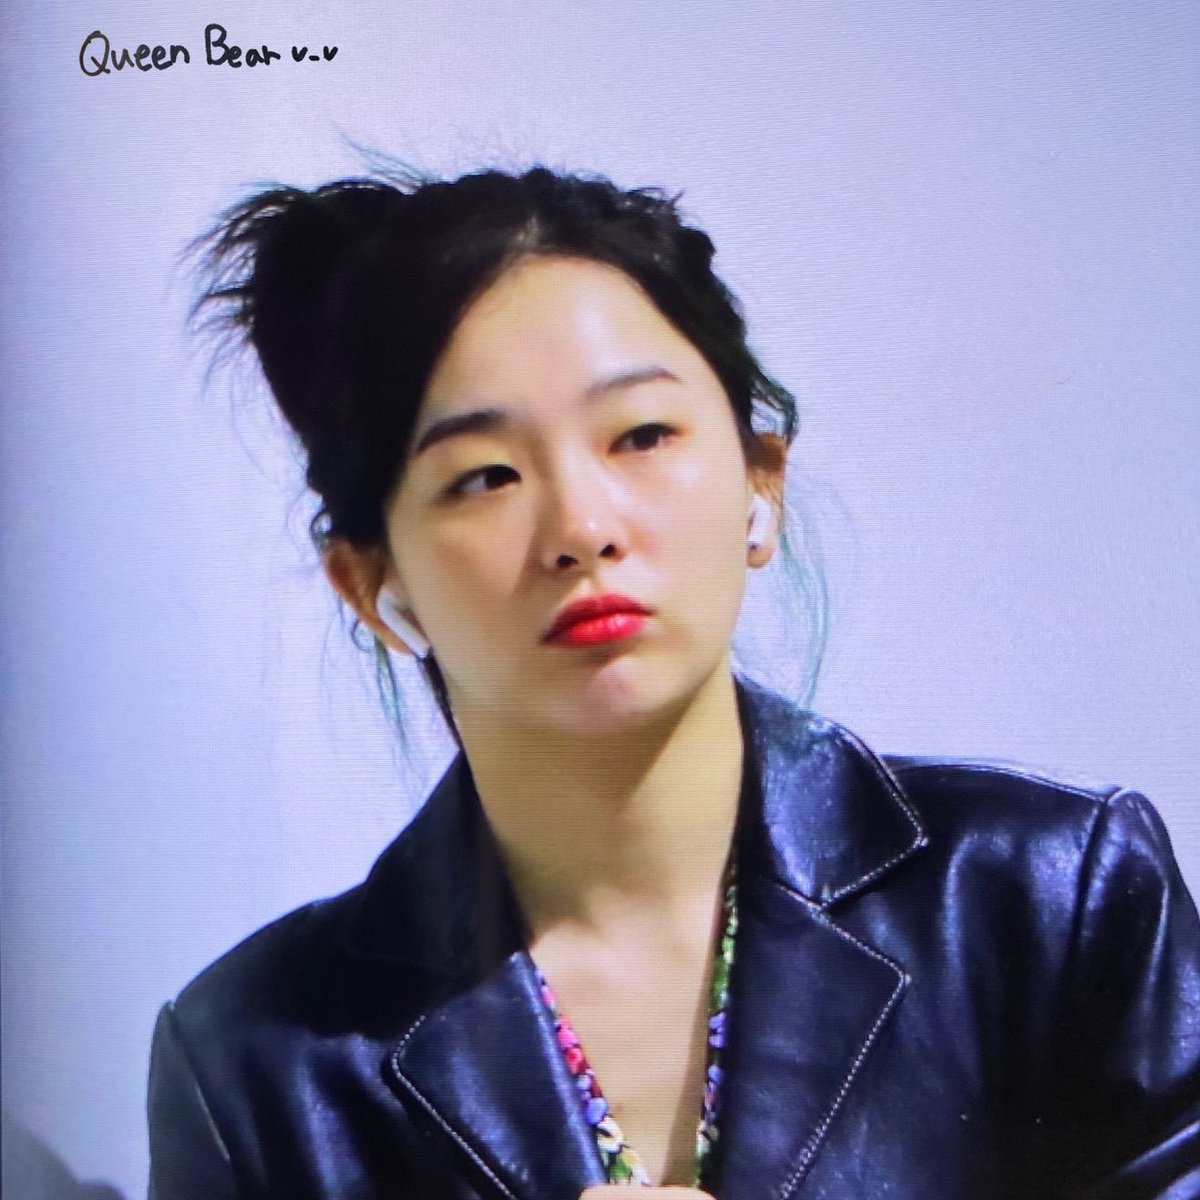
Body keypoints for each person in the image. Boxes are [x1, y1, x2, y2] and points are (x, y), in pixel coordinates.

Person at [147, 163, 1200, 1199]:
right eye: (484, 477)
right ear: (374, 585)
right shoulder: (261, 1063)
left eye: (642, 435)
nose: (582, 527)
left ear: (759, 484)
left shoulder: (1050, 898)